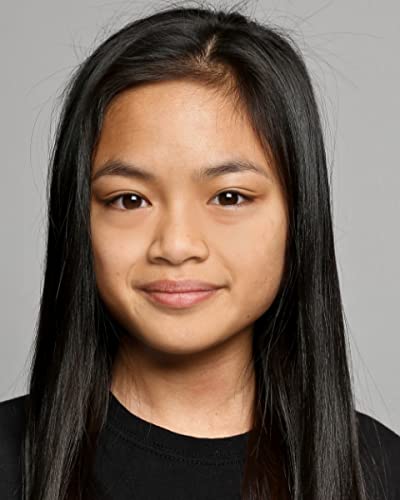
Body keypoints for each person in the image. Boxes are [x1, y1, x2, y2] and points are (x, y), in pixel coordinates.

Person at [0, 3, 399, 500]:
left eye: (229, 197)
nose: (176, 245)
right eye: (129, 200)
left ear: (298, 215)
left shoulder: (382, 474)